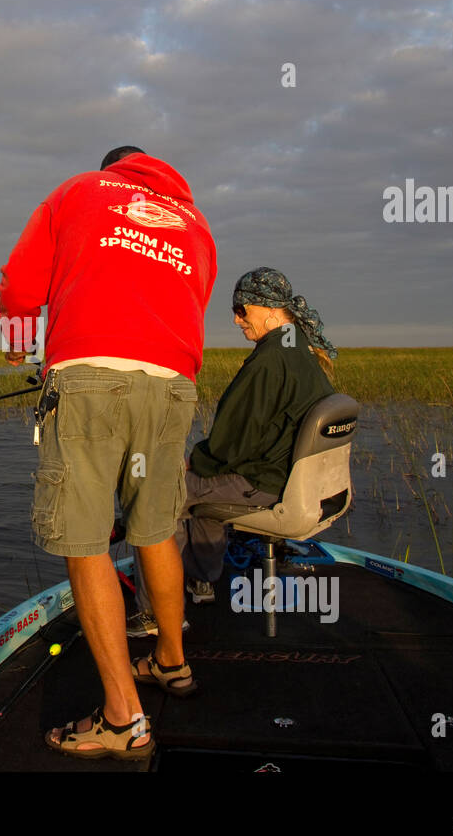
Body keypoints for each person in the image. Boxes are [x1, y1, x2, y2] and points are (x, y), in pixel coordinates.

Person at [0, 145, 216, 759]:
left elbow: (20, 279)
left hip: (91, 374)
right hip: (174, 383)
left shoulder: (78, 191)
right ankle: (172, 663)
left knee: (85, 538)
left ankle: (124, 720)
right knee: (155, 529)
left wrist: (19, 344)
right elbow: (190, 302)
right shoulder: (196, 224)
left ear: (109, 170)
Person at [127, 267, 337, 632]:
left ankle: (154, 615)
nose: (236, 318)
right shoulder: (300, 348)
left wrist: (194, 462)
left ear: (270, 309)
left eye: (243, 309)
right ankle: (201, 580)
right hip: (284, 478)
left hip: (264, 481)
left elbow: (232, 441)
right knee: (201, 502)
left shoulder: (270, 359)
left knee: (158, 497)